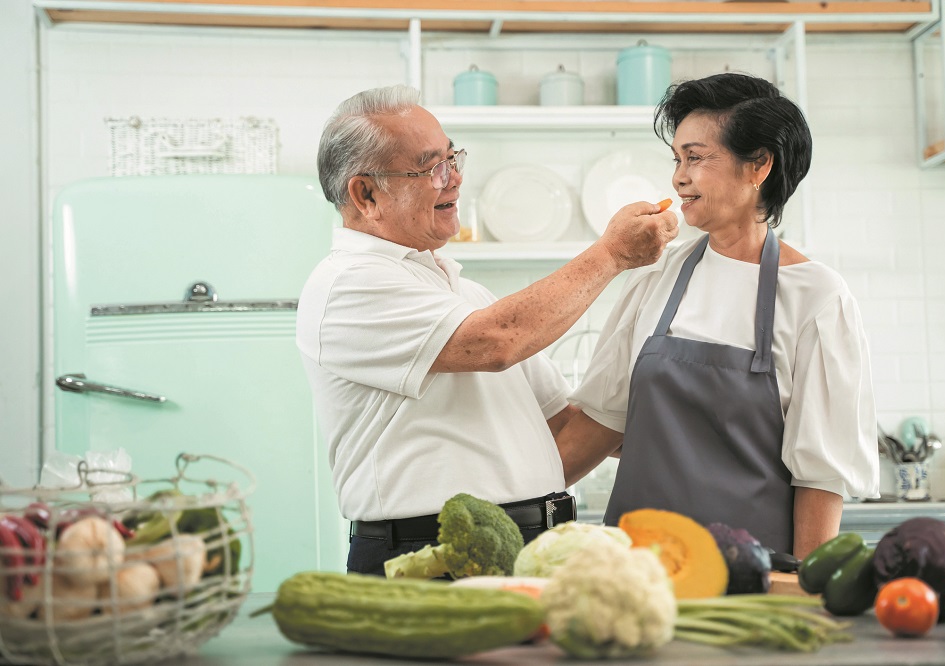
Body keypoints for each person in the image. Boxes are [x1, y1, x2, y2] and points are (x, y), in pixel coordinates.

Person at [296, 84, 676, 575]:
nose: (453, 178)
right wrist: (612, 254)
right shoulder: (346, 283)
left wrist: (676, 390)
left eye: (453, 158)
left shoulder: (465, 293)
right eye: (431, 167)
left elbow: (565, 433)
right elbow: (495, 342)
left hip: (534, 546)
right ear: (365, 193)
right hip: (429, 559)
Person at [557, 73, 879, 559]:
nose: (678, 176)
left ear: (759, 166)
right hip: (636, 571)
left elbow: (820, 476)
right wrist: (502, 500)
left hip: (752, 580)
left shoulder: (816, 296)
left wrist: (807, 596)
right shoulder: (657, 275)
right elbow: (602, 421)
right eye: (677, 159)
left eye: (696, 157)